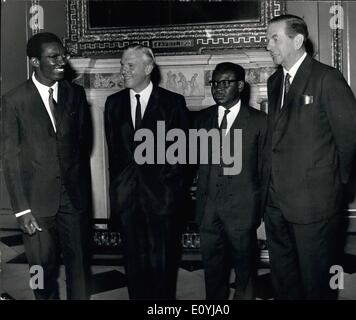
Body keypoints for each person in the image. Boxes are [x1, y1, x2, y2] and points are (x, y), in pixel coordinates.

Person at [263, 14, 356, 299]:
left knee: (317, 282)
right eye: (266, 38)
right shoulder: (274, 82)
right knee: (283, 280)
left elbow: (350, 137)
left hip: (314, 203)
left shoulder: (326, 79)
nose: (267, 45)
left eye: (274, 38)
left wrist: (333, 186)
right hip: (277, 203)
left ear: (297, 40)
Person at [1, 32, 92, 300]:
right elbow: (10, 160)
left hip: (73, 201)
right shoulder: (14, 101)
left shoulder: (75, 94)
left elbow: (82, 143)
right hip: (36, 205)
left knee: (80, 270)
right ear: (35, 62)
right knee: (41, 271)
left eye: (63, 55)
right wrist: (22, 211)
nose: (62, 61)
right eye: (53, 57)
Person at [104, 44, 190, 300]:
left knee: (163, 265)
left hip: (162, 199)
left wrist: (167, 188)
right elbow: (114, 154)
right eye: (122, 65)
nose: (123, 70)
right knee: (133, 266)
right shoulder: (113, 103)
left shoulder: (173, 103)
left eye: (130, 65)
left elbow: (184, 156)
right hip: (127, 199)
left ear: (149, 68)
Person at [194, 62, 267, 300]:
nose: (218, 88)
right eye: (215, 83)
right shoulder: (200, 120)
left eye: (225, 83)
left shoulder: (259, 122)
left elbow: (265, 170)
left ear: (241, 86)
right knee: (213, 273)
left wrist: (260, 209)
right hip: (208, 211)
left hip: (242, 211)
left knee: (245, 274)